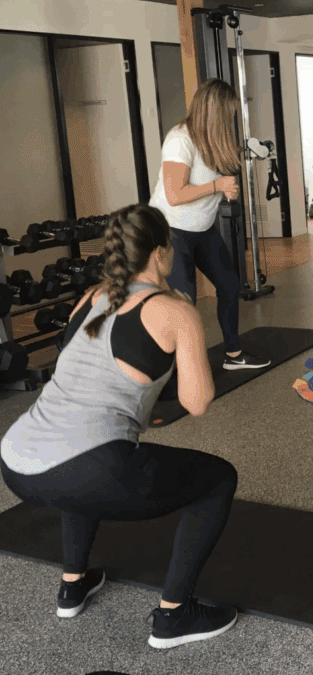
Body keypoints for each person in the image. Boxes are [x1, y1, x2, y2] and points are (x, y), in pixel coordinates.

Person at [0, 204, 239, 648]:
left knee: (79, 460)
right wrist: (190, 325)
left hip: (16, 462)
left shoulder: (90, 297)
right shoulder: (173, 309)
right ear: (162, 253)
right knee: (219, 479)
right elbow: (197, 401)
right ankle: (173, 616)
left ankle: (73, 584)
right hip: (87, 467)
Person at [149, 77, 269, 371]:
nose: (230, 117)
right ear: (212, 111)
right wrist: (218, 185)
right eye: (227, 112)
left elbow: (216, 160)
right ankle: (181, 369)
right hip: (172, 230)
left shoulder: (216, 137)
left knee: (229, 285)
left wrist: (248, 149)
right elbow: (175, 194)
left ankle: (233, 354)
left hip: (202, 228)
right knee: (185, 300)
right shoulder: (180, 140)